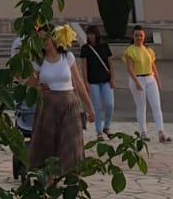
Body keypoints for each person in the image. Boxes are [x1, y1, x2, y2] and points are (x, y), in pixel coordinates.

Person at [29, 30, 93, 174]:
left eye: (46, 38)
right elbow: (30, 84)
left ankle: (72, 174)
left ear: (54, 39)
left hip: (69, 103)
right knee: (49, 143)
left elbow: (78, 82)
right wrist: (39, 89)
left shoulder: (67, 56)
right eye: (40, 40)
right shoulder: (39, 60)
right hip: (48, 106)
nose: (44, 42)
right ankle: (50, 176)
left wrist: (90, 107)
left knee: (71, 141)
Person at [122, 27, 170, 142]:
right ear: (133, 36)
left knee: (156, 106)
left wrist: (158, 80)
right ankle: (143, 132)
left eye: (141, 35)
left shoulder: (148, 50)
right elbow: (129, 68)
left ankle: (161, 132)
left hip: (150, 78)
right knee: (141, 106)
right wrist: (137, 82)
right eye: (137, 35)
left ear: (144, 37)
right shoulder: (130, 51)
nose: (139, 38)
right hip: (137, 79)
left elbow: (153, 66)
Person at [81, 25, 115, 138]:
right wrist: (85, 81)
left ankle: (107, 126)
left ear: (97, 34)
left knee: (110, 104)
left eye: (92, 33)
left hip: (105, 80)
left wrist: (113, 78)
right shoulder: (85, 48)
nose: (90, 36)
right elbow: (84, 66)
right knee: (97, 107)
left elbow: (110, 64)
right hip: (93, 81)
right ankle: (99, 131)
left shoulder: (104, 46)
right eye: (88, 34)